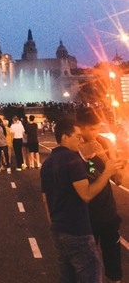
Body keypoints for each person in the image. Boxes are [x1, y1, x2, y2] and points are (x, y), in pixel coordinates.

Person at [41, 117, 122, 283]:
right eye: (77, 135)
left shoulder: (48, 162)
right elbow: (86, 194)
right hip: (79, 228)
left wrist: (54, 225)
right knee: (90, 274)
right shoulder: (73, 159)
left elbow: (45, 199)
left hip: (61, 229)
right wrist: (107, 171)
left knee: (69, 275)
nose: (94, 134)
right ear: (65, 136)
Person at [77, 110, 123, 283]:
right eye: (92, 129)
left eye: (98, 129)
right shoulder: (74, 148)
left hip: (107, 213)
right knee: (87, 262)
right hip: (84, 215)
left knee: (113, 259)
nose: (95, 133)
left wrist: (105, 158)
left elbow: (118, 179)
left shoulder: (104, 143)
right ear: (81, 128)